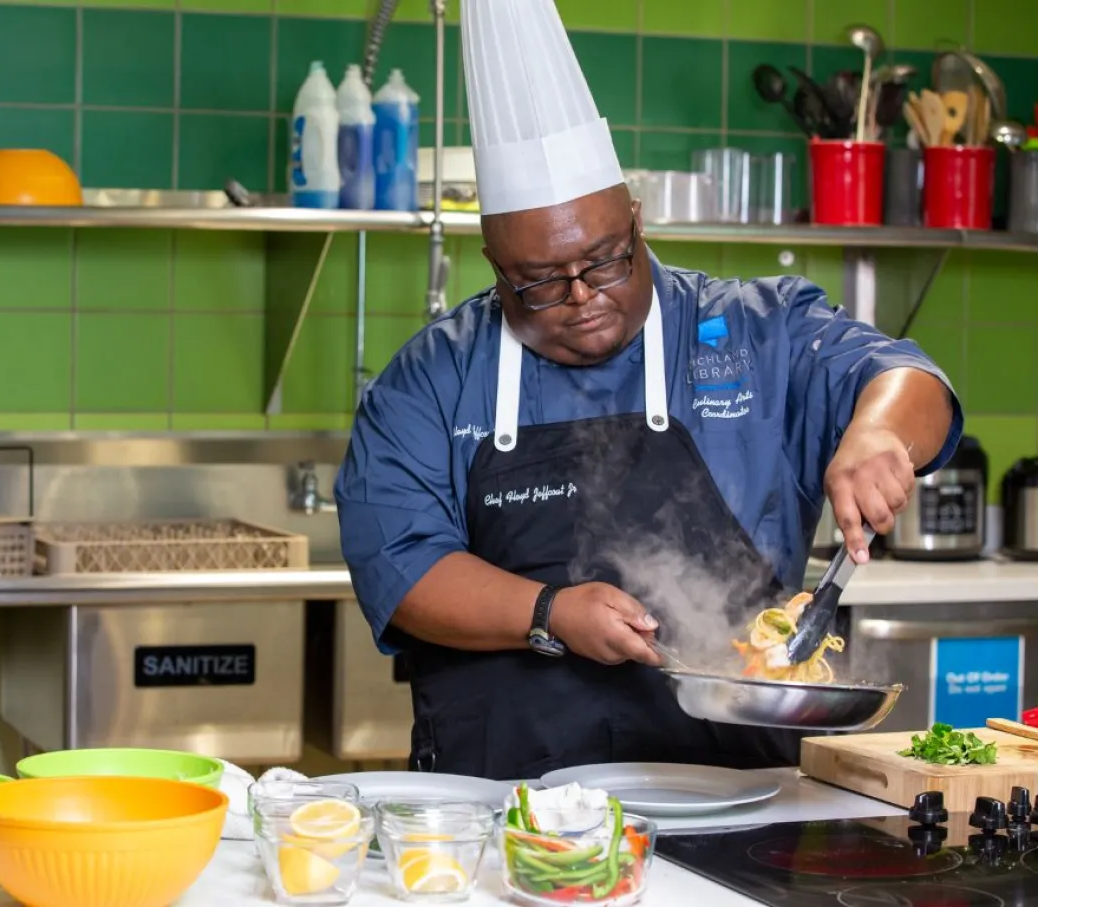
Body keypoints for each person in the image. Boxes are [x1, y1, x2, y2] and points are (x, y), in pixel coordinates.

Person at [334, 0, 962, 782]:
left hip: (746, 801)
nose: (581, 295)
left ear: (635, 220)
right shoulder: (432, 377)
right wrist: (548, 613)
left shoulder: (754, 331)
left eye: (604, 260)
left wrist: (880, 435)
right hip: (500, 808)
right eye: (539, 281)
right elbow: (398, 569)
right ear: (496, 264)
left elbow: (907, 379)